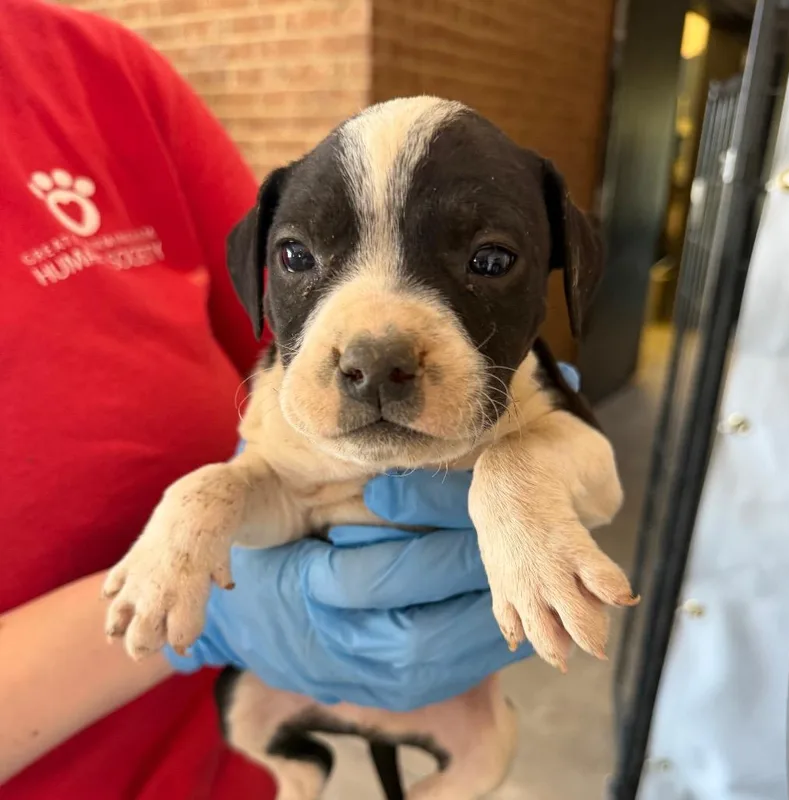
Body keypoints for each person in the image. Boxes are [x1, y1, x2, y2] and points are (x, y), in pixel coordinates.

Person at [0, 1, 535, 797]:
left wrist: (536, 477)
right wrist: (216, 619)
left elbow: (280, 328)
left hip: (236, 766)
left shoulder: (87, 64)